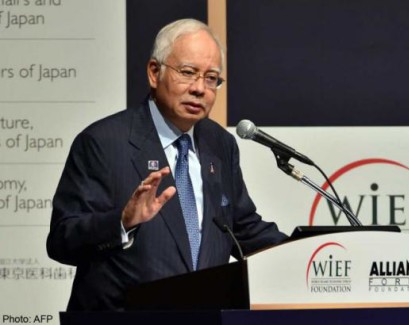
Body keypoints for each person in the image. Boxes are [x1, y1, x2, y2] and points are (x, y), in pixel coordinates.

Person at [46, 18, 287, 311]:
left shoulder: (219, 143)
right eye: (188, 73)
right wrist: (123, 221)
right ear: (154, 72)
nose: (200, 88)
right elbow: (61, 240)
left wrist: (308, 253)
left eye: (212, 78)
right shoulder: (103, 142)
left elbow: (242, 228)